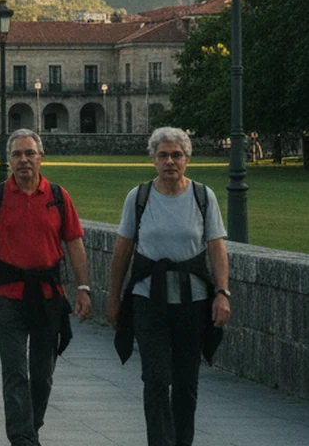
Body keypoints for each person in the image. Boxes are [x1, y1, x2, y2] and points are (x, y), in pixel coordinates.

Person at [0, 129, 90, 446]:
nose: (23, 160)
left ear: (41, 157)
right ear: (9, 161)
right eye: (17, 155)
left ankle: (30, 426)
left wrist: (83, 287)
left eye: (29, 153)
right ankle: (22, 438)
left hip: (48, 296)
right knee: (15, 372)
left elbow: (74, 244)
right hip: (7, 296)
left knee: (43, 375)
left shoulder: (58, 197)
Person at [107, 128, 231, 446]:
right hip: (149, 300)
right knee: (157, 378)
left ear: (187, 159)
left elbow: (217, 249)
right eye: (163, 155)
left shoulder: (203, 196)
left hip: (194, 302)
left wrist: (222, 292)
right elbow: (122, 251)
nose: (169, 161)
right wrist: (114, 298)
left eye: (176, 155)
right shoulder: (140, 197)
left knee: (186, 382)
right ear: (153, 159)